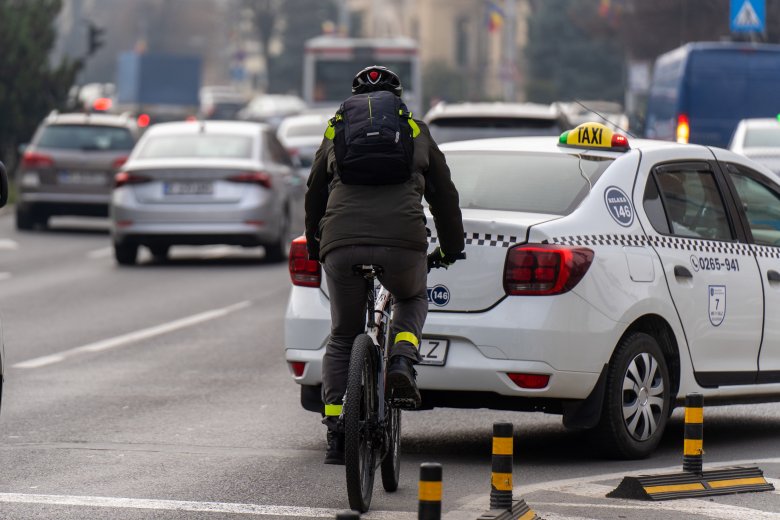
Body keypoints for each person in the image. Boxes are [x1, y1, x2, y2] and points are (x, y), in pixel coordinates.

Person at [304, 65, 465, 465]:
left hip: (341, 242)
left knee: (343, 335)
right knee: (412, 297)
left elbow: (313, 191)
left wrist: (316, 245)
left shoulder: (334, 130)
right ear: (399, 98)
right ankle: (401, 361)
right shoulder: (415, 130)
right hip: (403, 242)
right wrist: (450, 248)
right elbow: (444, 196)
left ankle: (337, 433)